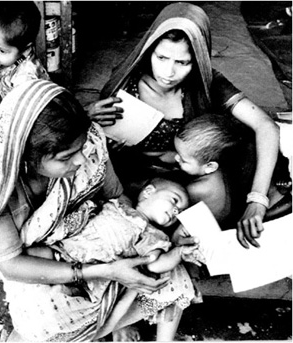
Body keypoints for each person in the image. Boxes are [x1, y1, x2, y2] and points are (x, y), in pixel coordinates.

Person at [0, 79, 198, 342]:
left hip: (95, 242)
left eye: (79, 149)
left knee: (172, 278)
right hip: (42, 262)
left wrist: (132, 242)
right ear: (26, 158)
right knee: (51, 320)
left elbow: (115, 196)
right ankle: (102, 321)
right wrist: (106, 271)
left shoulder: (89, 144)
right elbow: (12, 264)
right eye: (66, 157)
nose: (81, 160)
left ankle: (112, 319)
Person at [90, 2, 280, 249]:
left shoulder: (207, 83)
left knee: (215, 186)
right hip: (137, 176)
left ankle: (177, 238)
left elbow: (266, 126)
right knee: (107, 188)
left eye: (183, 62)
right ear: (150, 50)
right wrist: (90, 117)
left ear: (198, 60)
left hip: (187, 175)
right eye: (161, 57)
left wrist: (257, 200)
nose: (168, 72)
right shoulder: (127, 83)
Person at [56, 177, 204, 341]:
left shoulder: (154, 236)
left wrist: (179, 253)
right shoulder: (119, 203)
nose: (176, 212)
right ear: (148, 192)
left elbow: (155, 265)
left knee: (70, 301)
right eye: (174, 200)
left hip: (95, 273)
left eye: (180, 212)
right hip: (68, 251)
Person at [173, 113, 254, 228]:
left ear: (210, 166)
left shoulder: (196, 189)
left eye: (183, 160)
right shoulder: (221, 169)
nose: (176, 158)